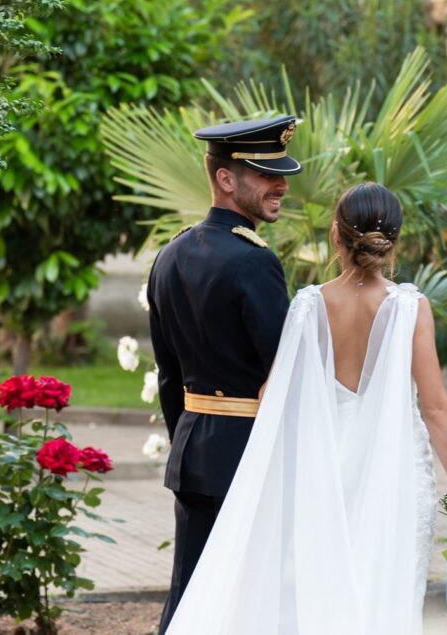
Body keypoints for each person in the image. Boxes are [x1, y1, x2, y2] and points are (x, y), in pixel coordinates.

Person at [164, 182, 447, 635]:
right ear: (395, 241)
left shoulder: (308, 305)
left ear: (336, 235)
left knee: (314, 596)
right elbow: (435, 409)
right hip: (391, 477)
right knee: (383, 596)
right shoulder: (411, 308)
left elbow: (272, 398)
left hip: (319, 475)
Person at [147, 115, 303, 634]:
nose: (280, 184)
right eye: (265, 173)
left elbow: (169, 377)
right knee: (247, 604)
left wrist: (187, 442)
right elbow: (283, 371)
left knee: (188, 598)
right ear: (226, 180)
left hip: (193, 452)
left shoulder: (169, 255)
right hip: (249, 456)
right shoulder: (254, 261)